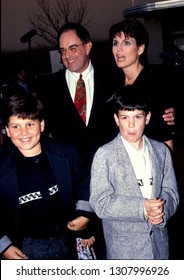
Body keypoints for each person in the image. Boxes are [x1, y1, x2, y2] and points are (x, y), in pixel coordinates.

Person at [41, 22, 175, 258]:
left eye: (73, 47)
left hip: (128, 191)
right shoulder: (48, 87)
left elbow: (152, 111)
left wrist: (173, 116)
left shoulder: (112, 76)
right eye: (62, 50)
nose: (68, 55)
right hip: (77, 192)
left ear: (88, 46)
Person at [0, 91, 94, 260]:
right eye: (15, 126)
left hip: (67, 236)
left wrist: (84, 215)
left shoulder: (66, 153)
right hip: (25, 247)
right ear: (7, 130)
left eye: (30, 124)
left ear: (41, 125)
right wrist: (3, 245)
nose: (24, 133)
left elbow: (84, 181)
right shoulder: (2, 168)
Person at [89, 85, 179, 260]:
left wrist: (162, 211)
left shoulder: (161, 151)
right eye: (125, 117)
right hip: (124, 252)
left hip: (159, 249)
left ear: (147, 118)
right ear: (116, 119)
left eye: (137, 117)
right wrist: (142, 208)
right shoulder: (105, 155)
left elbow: (172, 193)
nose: (131, 125)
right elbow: (100, 202)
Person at [109, 18, 175, 150]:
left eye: (126, 42)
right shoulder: (111, 83)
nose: (118, 49)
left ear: (140, 48)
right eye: (115, 43)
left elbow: (165, 139)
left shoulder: (155, 85)